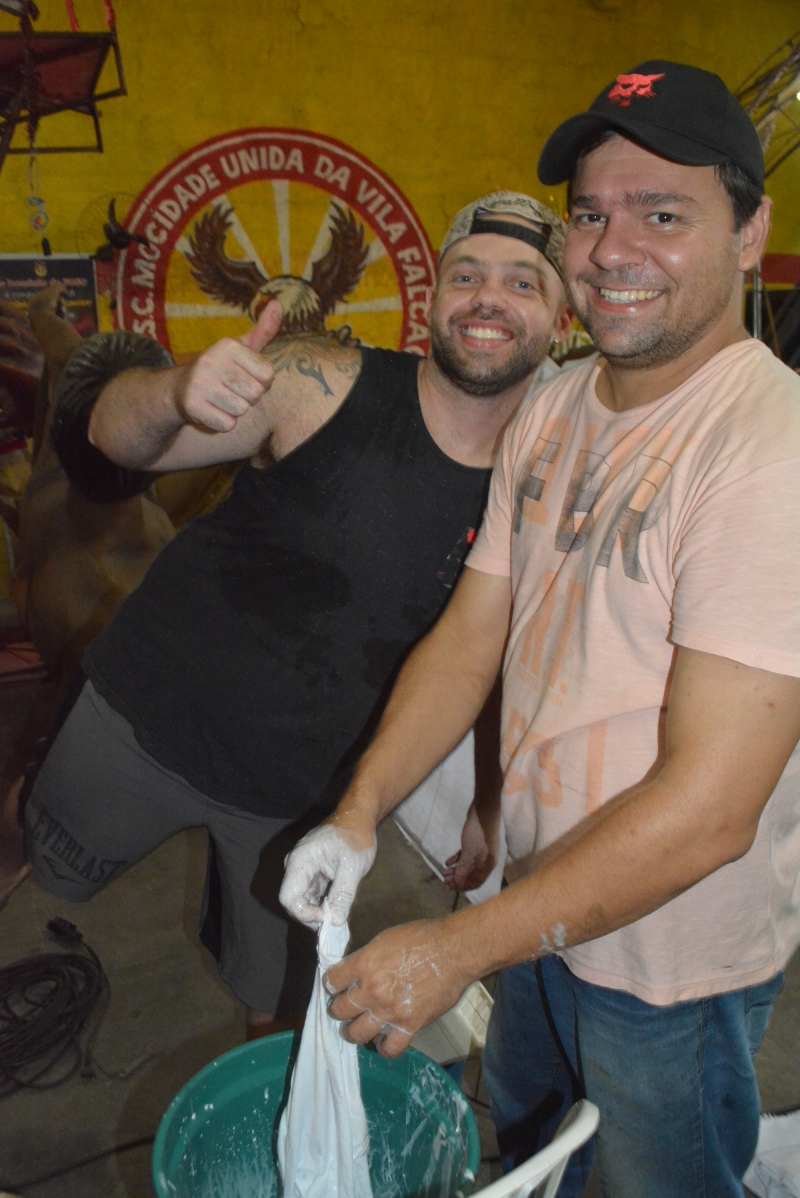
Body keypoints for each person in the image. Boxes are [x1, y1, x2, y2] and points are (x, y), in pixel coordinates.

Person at [280, 62, 800, 1197]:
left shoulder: (764, 452)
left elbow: (714, 810)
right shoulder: (557, 404)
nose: (613, 250)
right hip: (536, 912)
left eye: (663, 215)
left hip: (667, 966)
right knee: (530, 1159)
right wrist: (359, 812)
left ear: (751, 231)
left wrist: (453, 948)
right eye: (592, 215)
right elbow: (473, 634)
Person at [1, 192, 571, 1038]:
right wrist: (172, 391)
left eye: (523, 283)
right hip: (143, 715)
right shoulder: (319, 382)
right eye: (467, 275)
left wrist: (487, 795)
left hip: (310, 795)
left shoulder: (538, 489)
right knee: (23, 835)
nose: (489, 298)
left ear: (562, 322)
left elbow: (483, 649)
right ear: (433, 297)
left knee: (279, 1008)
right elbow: (111, 443)